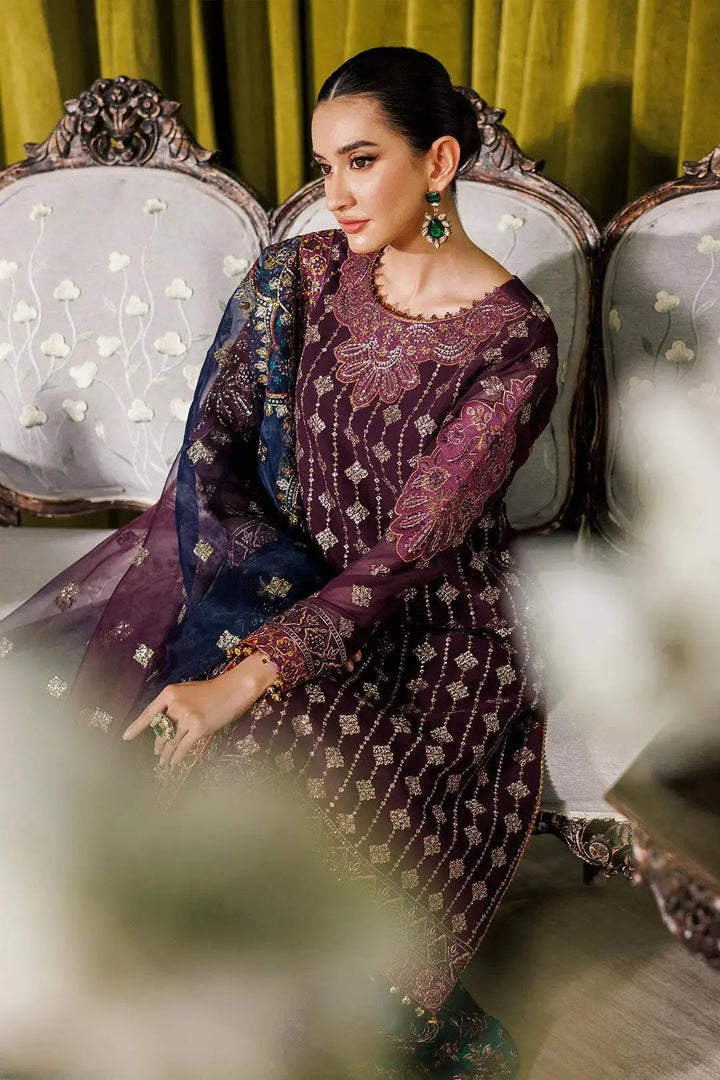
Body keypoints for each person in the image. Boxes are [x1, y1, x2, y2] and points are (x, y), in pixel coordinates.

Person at [0, 46, 559, 1078]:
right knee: (103, 739)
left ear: (439, 162)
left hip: (435, 629)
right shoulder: (298, 277)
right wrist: (236, 600)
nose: (334, 195)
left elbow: (411, 551)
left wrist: (244, 676)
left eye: (361, 162)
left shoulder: (512, 343)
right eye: (324, 166)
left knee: (263, 751)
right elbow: (210, 447)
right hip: (273, 571)